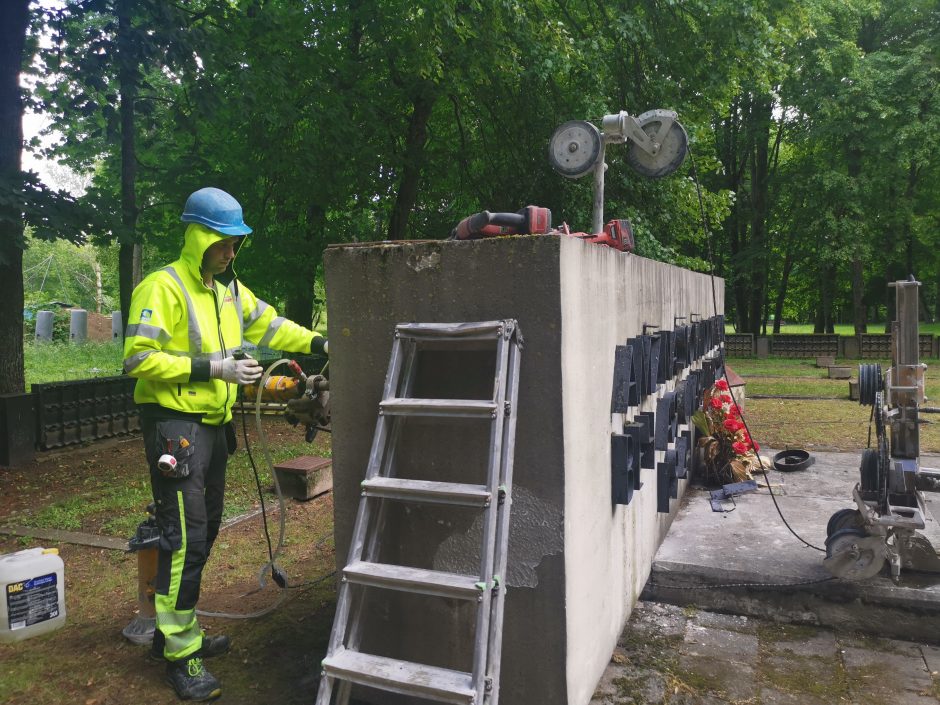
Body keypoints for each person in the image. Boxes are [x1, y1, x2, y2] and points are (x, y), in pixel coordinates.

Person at [123, 187, 328, 701]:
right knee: (184, 537)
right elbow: (138, 360)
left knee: (204, 530)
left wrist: (325, 343)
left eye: (236, 243)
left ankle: (177, 633)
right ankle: (180, 656)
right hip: (176, 426)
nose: (231, 252)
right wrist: (216, 367)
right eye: (223, 241)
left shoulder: (228, 291)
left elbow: (273, 324)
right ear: (198, 236)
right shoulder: (161, 287)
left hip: (212, 428)